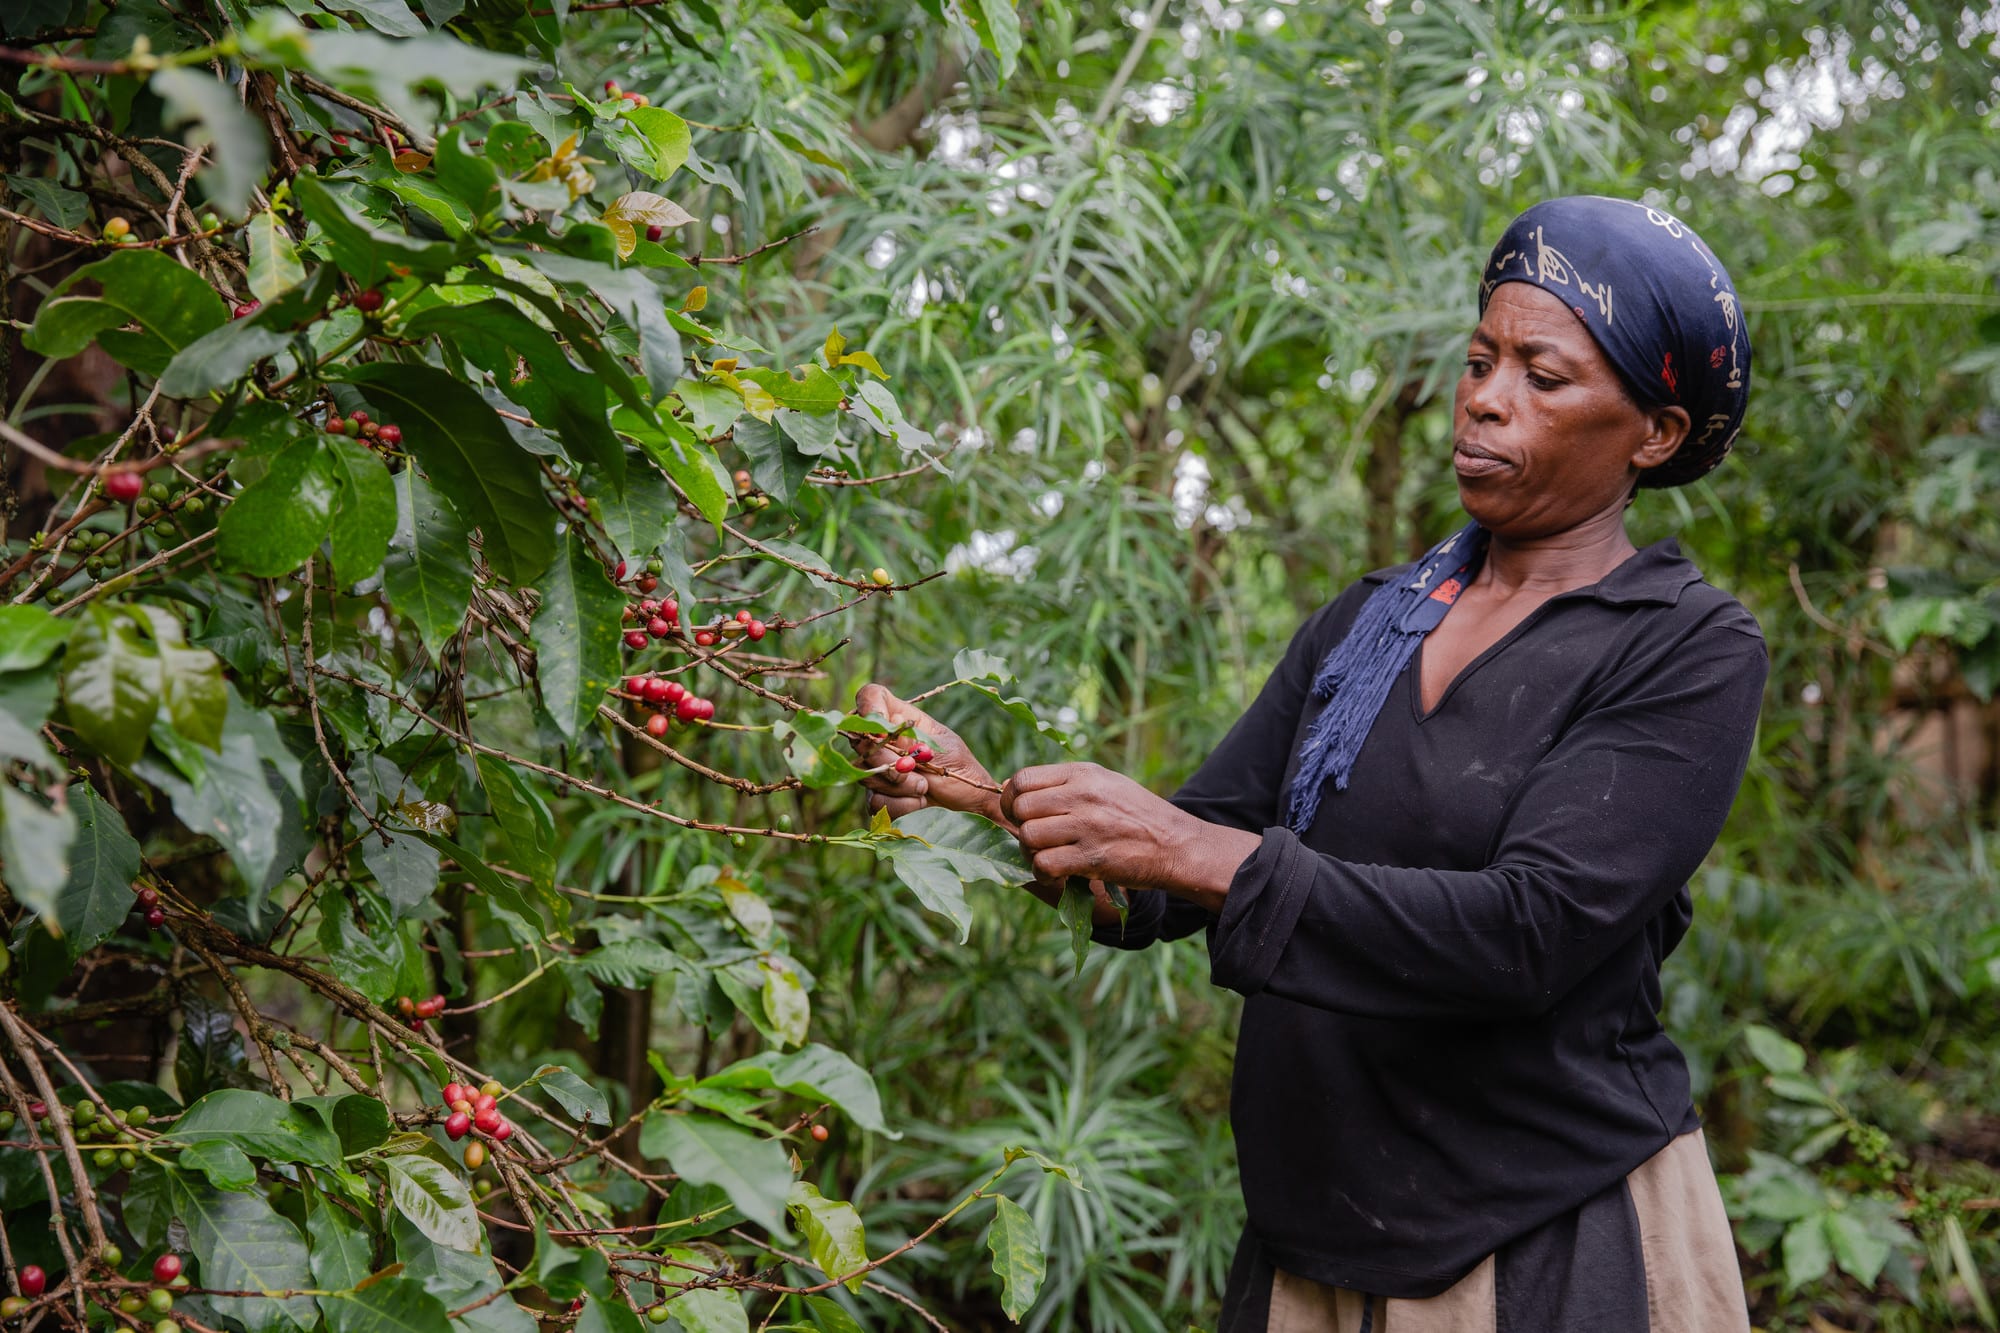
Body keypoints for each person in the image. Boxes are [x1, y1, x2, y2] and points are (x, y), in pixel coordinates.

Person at [855, 196, 1764, 1332]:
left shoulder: (1680, 645)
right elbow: (1168, 875)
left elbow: (1528, 934)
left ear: (1655, 433)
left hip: (1539, 1234)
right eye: (1480, 359)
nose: (1483, 397)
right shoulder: (1369, 623)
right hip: (1314, 1232)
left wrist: (1191, 848)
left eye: (1542, 375)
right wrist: (984, 795)